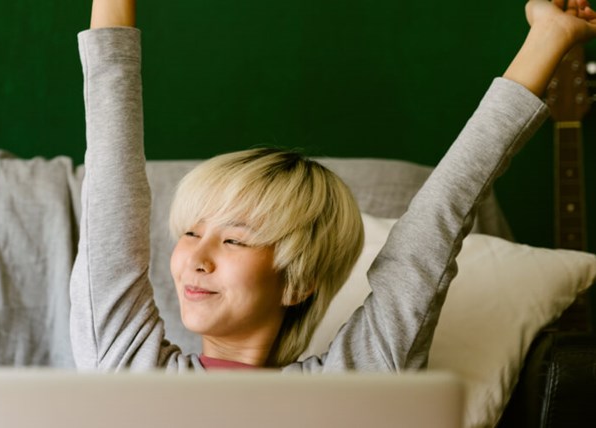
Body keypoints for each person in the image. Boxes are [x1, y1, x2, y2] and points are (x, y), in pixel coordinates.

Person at [70, 0, 596, 371]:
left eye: (234, 239)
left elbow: (443, 213)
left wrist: (548, 39)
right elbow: (110, 196)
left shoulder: (359, 378)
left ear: (297, 283)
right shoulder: (124, 366)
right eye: (190, 233)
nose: (197, 258)